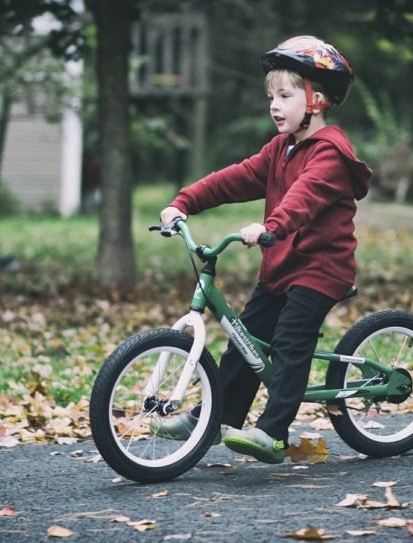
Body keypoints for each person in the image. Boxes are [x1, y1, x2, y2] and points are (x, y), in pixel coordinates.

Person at [155, 35, 373, 464]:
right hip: (281, 266)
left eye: (285, 95)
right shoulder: (281, 148)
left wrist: (270, 227)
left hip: (320, 268)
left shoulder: (330, 153)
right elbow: (235, 177)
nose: (274, 105)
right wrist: (183, 202)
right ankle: (214, 419)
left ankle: (273, 432)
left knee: (290, 341)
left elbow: (303, 199)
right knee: (243, 340)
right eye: (271, 96)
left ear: (318, 98)